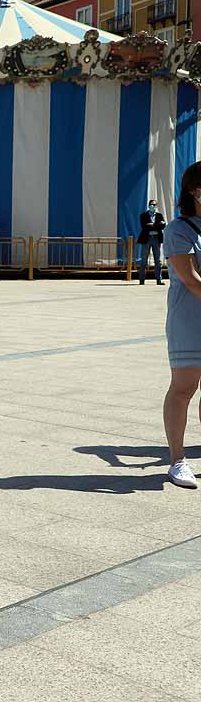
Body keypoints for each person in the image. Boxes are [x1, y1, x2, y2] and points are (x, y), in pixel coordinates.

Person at [162, 163, 201, 488]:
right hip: (189, 320)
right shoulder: (179, 229)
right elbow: (190, 278)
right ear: (196, 191)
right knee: (185, 387)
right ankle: (177, 460)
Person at [138, 199, 167, 286]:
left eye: (154, 205)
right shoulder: (143, 215)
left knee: (157, 260)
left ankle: (159, 280)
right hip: (146, 239)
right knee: (144, 260)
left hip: (156, 239)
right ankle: (142, 280)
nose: (152, 206)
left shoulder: (159, 215)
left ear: (156, 206)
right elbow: (144, 226)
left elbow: (163, 226)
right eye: (151, 204)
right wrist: (157, 225)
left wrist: (152, 224)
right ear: (148, 205)